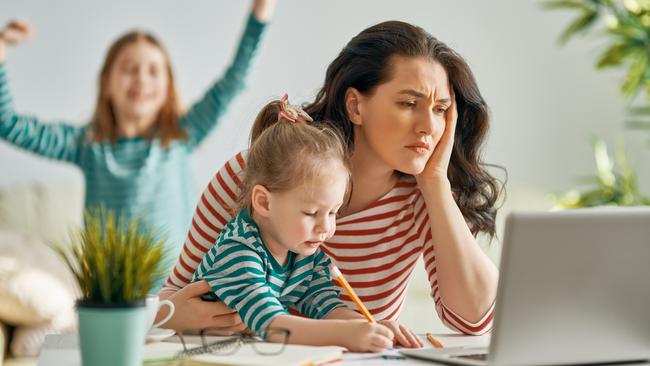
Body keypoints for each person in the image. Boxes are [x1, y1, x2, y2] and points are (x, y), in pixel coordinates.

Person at [160, 20, 502, 343]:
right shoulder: (252, 175)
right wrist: (173, 315)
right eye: (409, 103)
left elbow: (474, 321)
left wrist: (436, 181)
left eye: (441, 109)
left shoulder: (423, 196)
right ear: (355, 106)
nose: (428, 125)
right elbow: (171, 300)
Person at [0, 1, 275, 271]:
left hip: (177, 293)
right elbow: (9, 124)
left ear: (168, 87)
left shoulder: (180, 135)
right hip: (112, 297)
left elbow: (235, 80)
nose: (141, 79)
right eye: (130, 69)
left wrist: (260, 12)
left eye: (153, 71)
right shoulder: (87, 145)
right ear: (107, 83)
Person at [192, 95, 420, 351]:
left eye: (333, 212)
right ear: (264, 203)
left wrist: (371, 326)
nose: (326, 228)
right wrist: (345, 334)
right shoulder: (238, 252)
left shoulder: (301, 254)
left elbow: (327, 307)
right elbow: (271, 325)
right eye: (312, 212)